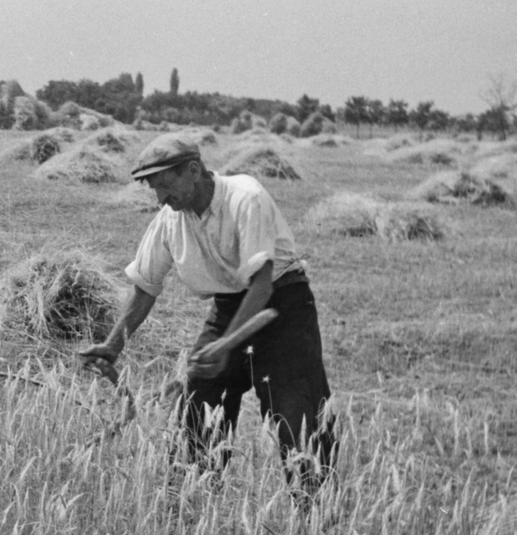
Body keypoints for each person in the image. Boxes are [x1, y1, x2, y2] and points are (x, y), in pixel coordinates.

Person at [78, 133, 335, 499]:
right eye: (154, 189)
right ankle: (192, 503)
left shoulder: (246, 197)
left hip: (283, 307)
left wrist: (227, 345)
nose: (160, 198)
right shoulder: (171, 219)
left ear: (194, 170)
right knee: (199, 402)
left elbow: (261, 286)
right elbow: (145, 285)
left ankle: (318, 515)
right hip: (230, 306)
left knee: (295, 415)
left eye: (165, 185)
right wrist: (112, 345)